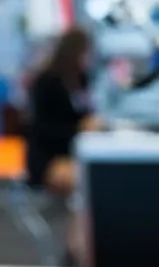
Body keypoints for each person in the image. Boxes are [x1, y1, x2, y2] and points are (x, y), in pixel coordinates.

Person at [24, 27, 102, 265]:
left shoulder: (81, 79)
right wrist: (80, 128)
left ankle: (81, 248)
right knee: (88, 183)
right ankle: (76, 252)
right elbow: (41, 129)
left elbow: (85, 113)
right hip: (47, 158)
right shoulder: (47, 82)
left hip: (75, 155)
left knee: (95, 180)